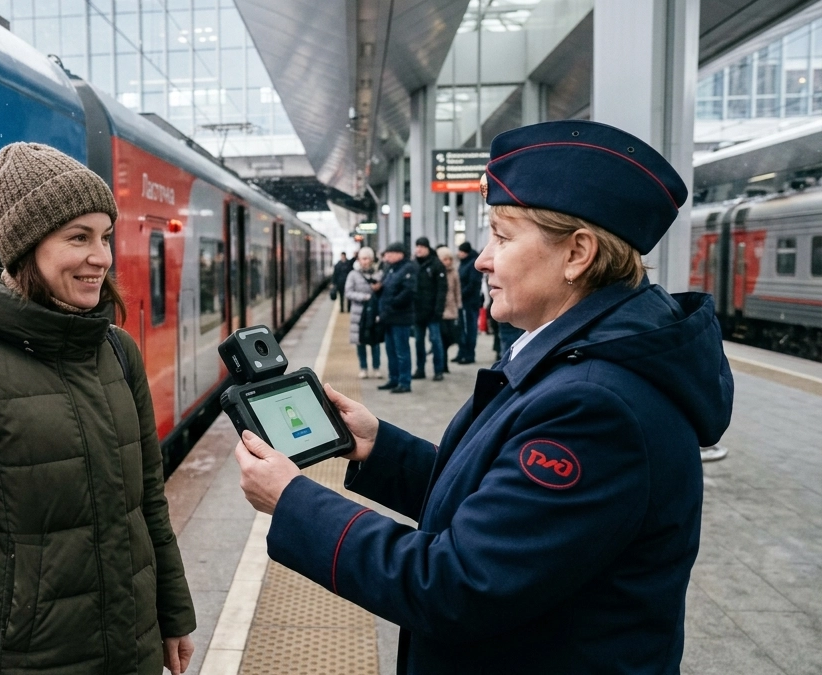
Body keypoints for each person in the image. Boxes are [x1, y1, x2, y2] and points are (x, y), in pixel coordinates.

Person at [231, 120, 733, 674]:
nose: (481, 259)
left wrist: (294, 500)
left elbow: (457, 584)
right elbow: (495, 510)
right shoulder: (577, 356)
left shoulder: (596, 407)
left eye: (503, 236)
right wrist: (379, 449)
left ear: (577, 254)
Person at [0, 143, 196, 675]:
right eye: (78, 238)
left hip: (133, 649)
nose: (101, 257)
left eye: (104, 236)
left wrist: (172, 613)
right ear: (26, 248)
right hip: (30, 661)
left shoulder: (116, 352)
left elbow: (148, 501)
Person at [374, 242, 418, 394]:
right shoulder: (390, 268)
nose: (387, 256)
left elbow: (408, 292)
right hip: (388, 317)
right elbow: (387, 288)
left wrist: (392, 304)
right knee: (391, 351)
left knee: (402, 351)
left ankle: (404, 382)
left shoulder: (409, 268)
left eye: (390, 253)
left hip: (400, 317)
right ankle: (394, 379)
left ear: (400, 254)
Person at [411, 237, 446, 381]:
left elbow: (442, 290)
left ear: (427, 248)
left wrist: (438, 310)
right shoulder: (414, 265)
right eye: (417, 246)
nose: (418, 249)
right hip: (418, 312)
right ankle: (420, 369)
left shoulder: (437, 264)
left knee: (436, 341)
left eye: (421, 246)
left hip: (432, 312)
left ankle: (439, 370)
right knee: (419, 342)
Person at [346, 247, 383, 379]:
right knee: (360, 342)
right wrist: (364, 297)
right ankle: (363, 368)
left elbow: (383, 293)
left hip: (374, 313)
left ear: (372, 259)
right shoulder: (353, 275)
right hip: (359, 314)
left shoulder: (379, 274)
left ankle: (376, 368)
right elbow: (348, 292)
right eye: (363, 258)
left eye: (367, 258)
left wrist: (378, 290)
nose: (365, 261)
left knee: (375, 342)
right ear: (359, 260)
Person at [434, 245, 461, 380]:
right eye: (444, 259)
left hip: (451, 310)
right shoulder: (436, 273)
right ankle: (442, 364)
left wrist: (459, 306)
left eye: (449, 259)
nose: (447, 262)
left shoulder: (454, 273)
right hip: (440, 311)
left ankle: (444, 362)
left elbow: (457, 291)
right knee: (441, 339)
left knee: (450, 338)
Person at [454, 241, 484, 363]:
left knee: (469, 329)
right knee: (462, 328)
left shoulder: (472, 264)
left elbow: (472, 284)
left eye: (461, 251)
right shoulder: (463, 263)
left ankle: (469, 354)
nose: (459, 254)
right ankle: (462, 352)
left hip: (469, 302)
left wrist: (460, 295)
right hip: (463, 301)